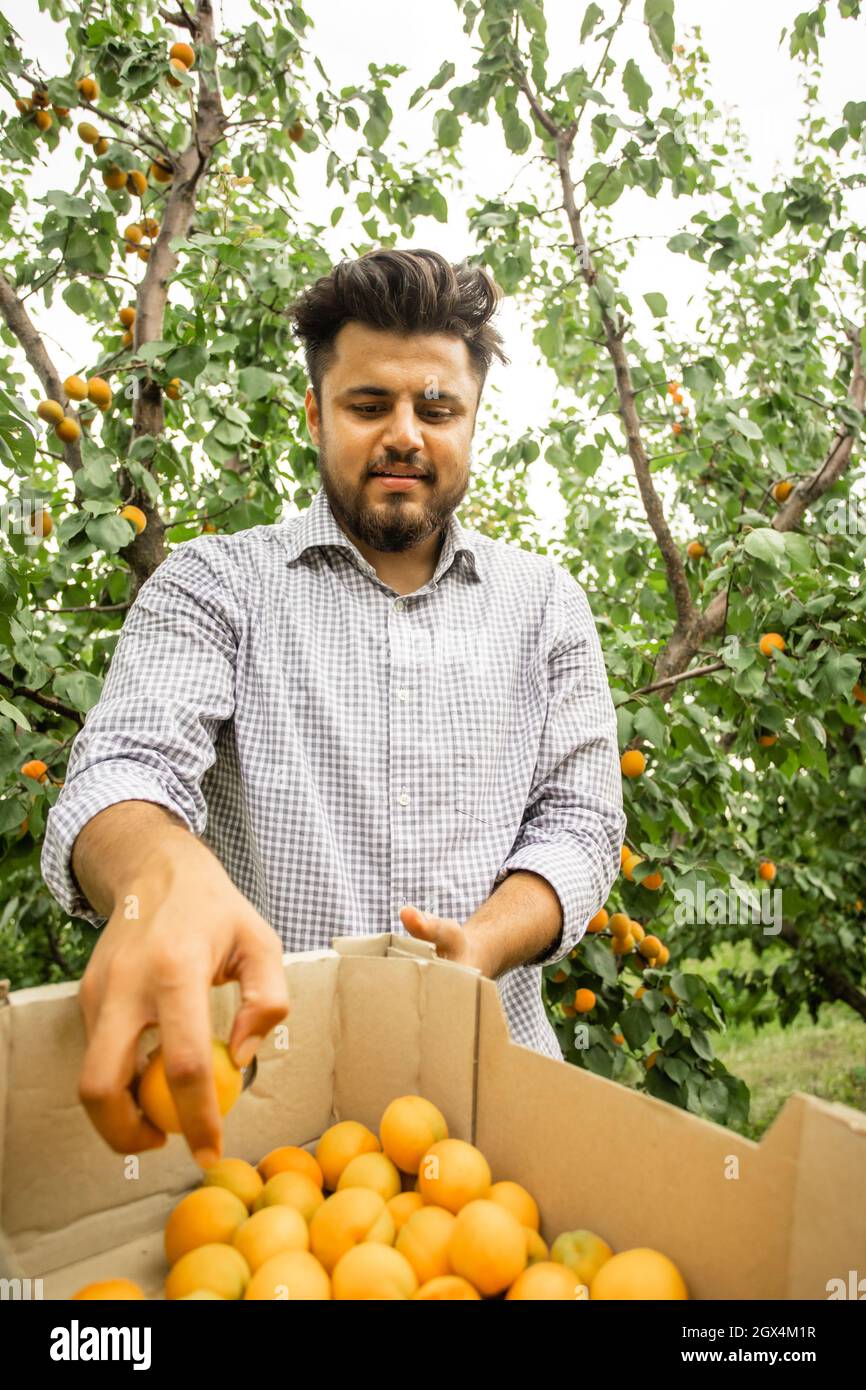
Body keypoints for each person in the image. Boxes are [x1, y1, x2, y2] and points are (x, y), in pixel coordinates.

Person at [40, 247, 625, 1170]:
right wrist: (160, 874)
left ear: (473, 422)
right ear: (315, 414)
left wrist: (483, 944)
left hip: (494, 1117)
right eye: (368, 405)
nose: (405, 434)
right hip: (259, 1126)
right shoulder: (215, 586)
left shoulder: (546, 605)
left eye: (437, 409)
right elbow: (126, 768)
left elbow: (582, 823)